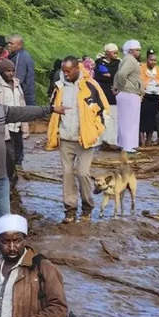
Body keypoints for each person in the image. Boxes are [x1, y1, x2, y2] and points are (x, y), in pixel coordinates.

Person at [46, 56, 110, 223]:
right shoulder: (59, 87)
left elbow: (104, 110)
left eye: (68, 71)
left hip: (86, 140)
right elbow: (52, 109)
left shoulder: (90, 85)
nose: (65, 75)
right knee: (67, 174)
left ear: (76, 69)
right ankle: (70, 210)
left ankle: (87, 207)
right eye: (63, 71)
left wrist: (97, 132)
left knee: (83, 173)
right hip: (66, 138)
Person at [0, 90, 56, 242]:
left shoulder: (0, 111)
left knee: (3, 219)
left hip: (0, 177)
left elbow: (23, 112)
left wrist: (49, 109)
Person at [0, 60, 28, 191]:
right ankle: (8, 185)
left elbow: (22, 105)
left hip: (17, 127)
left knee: (17, 156)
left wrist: (25, 126)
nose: (11, 73)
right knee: (8, 158)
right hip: (3, 128)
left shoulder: (17, 85)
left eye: (12, 71)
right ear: (1, 71)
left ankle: (12, 181)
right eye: (8, 71)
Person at [114, 40, 143, 154]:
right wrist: (123, 86)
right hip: (129, 93)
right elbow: (121, 74)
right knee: (130, 121)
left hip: (126, 93)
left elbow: (118, 74)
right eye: (137, 50)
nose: (139, 52)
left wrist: (118, 86)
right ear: (130, 50)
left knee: (126, 121)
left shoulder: (126, 60)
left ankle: (125, 145)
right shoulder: (130, 60)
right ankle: (129, 147)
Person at [139, 49, 159, 146]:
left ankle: (149, 140)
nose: (153, 62)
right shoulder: (142, 68)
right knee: (143, 119)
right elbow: (140, 81)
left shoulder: (158, 70)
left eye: (155, 60)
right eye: (151, 60)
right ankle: (142, 140)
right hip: (145, 96)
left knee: (153, 120)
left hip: (155, 97)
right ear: (147, 59)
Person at [7, 35, 36, 105]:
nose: (9, 45)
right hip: (28, 96)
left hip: (23, 97)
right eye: (8, 43)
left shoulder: (20, 58)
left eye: (11, 43)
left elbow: (16, 80)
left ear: (19, 45)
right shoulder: (22, 55)